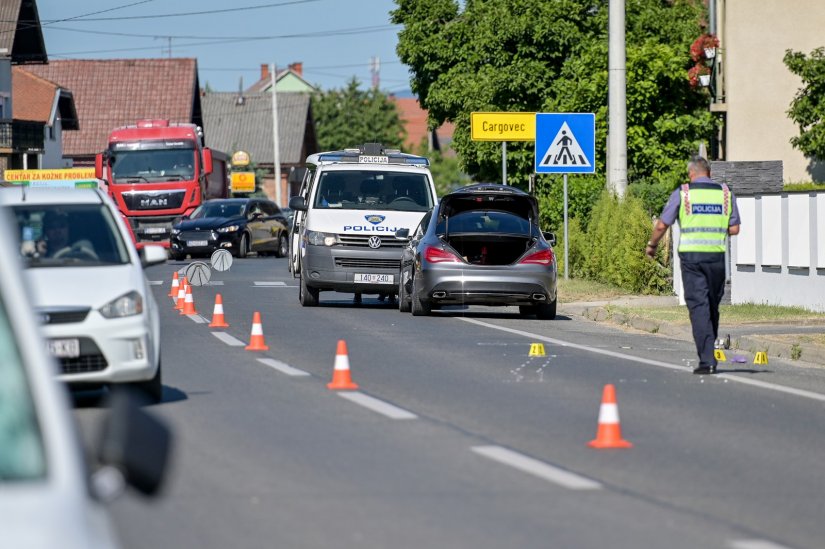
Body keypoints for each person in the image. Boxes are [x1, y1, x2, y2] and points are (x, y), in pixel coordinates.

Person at [646, 156, 740, 375]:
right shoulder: (725, 193)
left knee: (699, 307)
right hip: (716, 258)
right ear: (709, 173)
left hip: (692, 259)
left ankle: (707, 360)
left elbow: (662, 225)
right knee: (712, 306)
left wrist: (652, 245)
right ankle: (709, 352)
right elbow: (734, 229)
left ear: (691, 173)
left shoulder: (684, 193)